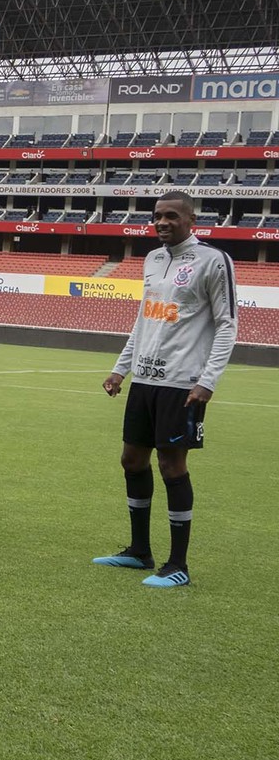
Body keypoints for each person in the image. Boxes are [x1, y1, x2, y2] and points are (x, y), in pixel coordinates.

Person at [95, 190, 237, 588]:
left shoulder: (213, 261)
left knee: (172, 466)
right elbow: (144, 320)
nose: (162, 222)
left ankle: (178, 564)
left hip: (183, 383)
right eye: (157, 216)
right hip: (145, 379)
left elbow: (227, 324)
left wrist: (208, 380)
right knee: (131, 460)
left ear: (192, 219)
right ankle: (140, 552)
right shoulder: (153, 260)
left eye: (172, 216)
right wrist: (121, 370)